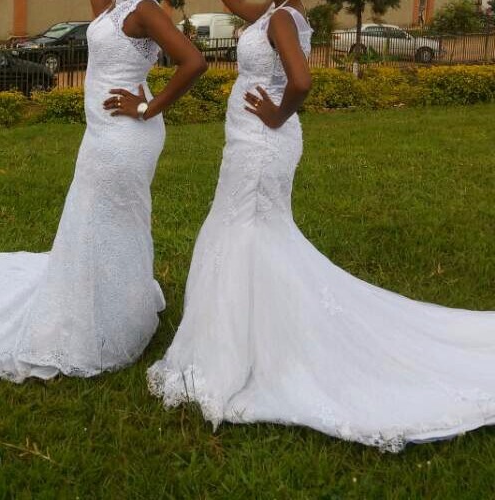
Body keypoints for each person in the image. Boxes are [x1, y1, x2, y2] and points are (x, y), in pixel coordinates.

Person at [147, 0, 495, 452]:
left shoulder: (280, 18)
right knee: (253, 236)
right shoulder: (280, 11)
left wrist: (276, 114)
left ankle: (239, 355)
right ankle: (255, 337)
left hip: (261, 141)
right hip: (254, 141)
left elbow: (302, 81)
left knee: (245, 234)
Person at [0, 0, 207, 387]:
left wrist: (147, 107)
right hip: (102, 129)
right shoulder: (113, 8)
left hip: (123, 136)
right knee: (98, 220)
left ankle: (112, 319)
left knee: (112, 219)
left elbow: (194, 62)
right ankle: (110, 303)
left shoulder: (144, 9)